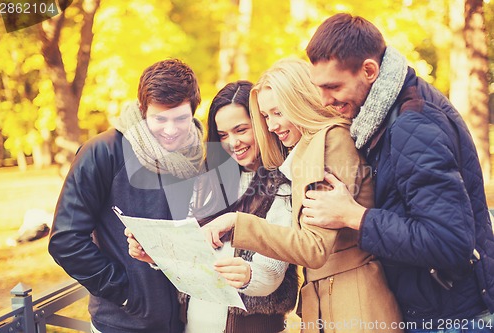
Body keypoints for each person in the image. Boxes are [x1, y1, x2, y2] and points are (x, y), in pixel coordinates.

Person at [301, 13, 494, 332]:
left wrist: (355, 217)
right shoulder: (389, 112)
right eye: (318, 87)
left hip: (451, 318)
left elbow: (449, 242)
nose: (325, 100)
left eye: (333, 86)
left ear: (369, 71)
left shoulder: (412, 124)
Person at [203, 58, 403, 333]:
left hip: (353, 301)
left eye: (278, 112)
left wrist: (238, 223)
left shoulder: (331, 140)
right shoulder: (306, 149)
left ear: (300, 101)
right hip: (324, 299)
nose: (271, 125)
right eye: (266, 116)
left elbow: (314, 247)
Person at [126, 80, 299, 333]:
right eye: (223, 135)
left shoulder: (283, 186)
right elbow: (190, 256)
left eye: (241, 130)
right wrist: (156, 256)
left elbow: (273, 271)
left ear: (262, 125)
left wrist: (249, 275)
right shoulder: (207, 183)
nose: (233, 143)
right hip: (194, 325)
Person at [48, 59, 205, 333]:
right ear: (143, 110)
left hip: (185, 320)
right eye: (159, 119)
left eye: (180, 118)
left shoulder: (196, 155)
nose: (170, 130)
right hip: (122, 323)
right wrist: (125, 293)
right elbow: (66, 240)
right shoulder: (102, 152)